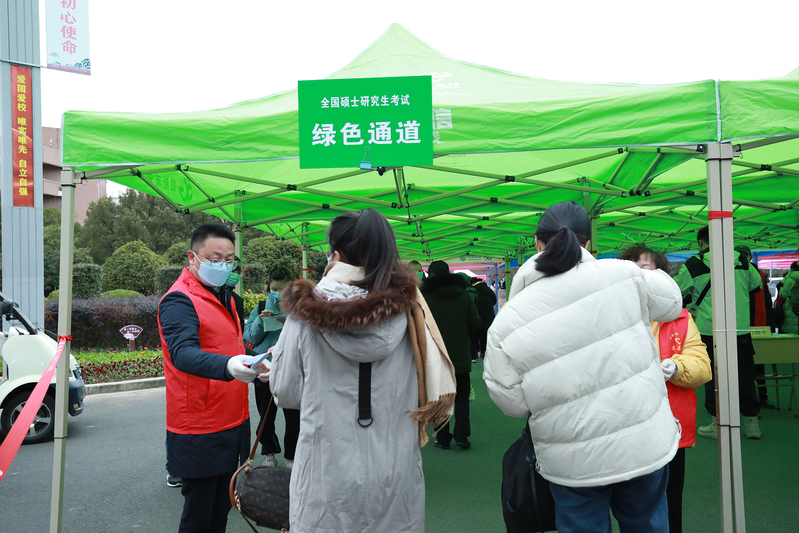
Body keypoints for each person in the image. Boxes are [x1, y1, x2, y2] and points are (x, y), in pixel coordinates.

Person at [484, 201, 682, 533]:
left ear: (537, 243)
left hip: (570, 458)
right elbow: (673, 303)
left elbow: (512, 404)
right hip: (642, 443)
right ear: (589, 243)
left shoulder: (507, 321)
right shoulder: (624, 274)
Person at [270, 208, 456, 533]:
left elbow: (285, 393)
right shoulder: (412, 312)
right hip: (394, 468)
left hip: (325, 471)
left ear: (336, 254)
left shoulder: (303, 316)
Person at [158, 223, 264, 533]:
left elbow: (230, 345)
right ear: (192, 257)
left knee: (221, 510)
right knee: (198, 517)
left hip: (233, 418)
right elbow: (182, 353)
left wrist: (255, 365)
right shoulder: (179, 300)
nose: (224, 266)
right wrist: (229, 365)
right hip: (200, 426)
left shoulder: (225, 296)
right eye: (215, 259)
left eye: (230, 260)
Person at [619, 246, 712, 533]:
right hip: (622, 425)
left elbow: (702, 365)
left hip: (669, 427)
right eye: (630, 269)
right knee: (626, 504)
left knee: (669, 502)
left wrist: (676, 367)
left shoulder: (681, 318)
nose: (638, 275)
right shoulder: (612, 316)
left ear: (662, 275)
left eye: (645, 268)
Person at [673, 227, 763, 439]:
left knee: (712, 377)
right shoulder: (742, 261)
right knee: (744, 376)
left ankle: (717, 422)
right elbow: (756, 285)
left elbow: (676, 291)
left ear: (701, 243)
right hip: (739, 329)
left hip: (709, 330)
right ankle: (752, 424)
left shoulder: (694, 264)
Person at [243, 266, 300, 468]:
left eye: (282, 289)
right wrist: (261, 320)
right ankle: (269, 453)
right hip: (264, 367)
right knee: (266, 416)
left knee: (293, 416)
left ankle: (292, 456)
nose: (277, 293)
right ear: (268, 288)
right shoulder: (259, 308)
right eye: (274, 289)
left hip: (291, 368)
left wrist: (290, 321)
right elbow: (249, 337)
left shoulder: (299, 308)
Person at [422, 261, 480, 450]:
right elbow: (475, 323)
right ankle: (462, 436)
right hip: (460, 354)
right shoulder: (464, 296)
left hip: (436, 356)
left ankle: (442, 438)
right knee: (462, 397)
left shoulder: (426, 298)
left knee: (440, 398)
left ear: (430, 275)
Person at [735, 245, 776, 409]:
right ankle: (741, 399)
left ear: (750, 257)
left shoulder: (757, 273)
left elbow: (765, 299)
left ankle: (761, 396)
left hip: (756, 324)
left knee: (757, 363)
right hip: (740, 325)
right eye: (740, 255)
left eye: (744, 255)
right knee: (742, 365)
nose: (742, 258)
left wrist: (770, 323)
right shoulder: (733, 273)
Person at [471, 276, 497, 359]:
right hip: (488, 316)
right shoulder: (489, 290)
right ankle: (483, 351)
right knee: (485, 335)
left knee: (476, 334)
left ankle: (476, 351)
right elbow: (494, 301)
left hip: (477, 315)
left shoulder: (473, 291)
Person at [778, 261, 799, 334]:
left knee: (790, 328)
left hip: (791, 308)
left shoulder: (789, 280)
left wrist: (781, 290)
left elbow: (784, 295)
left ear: (792, 269)